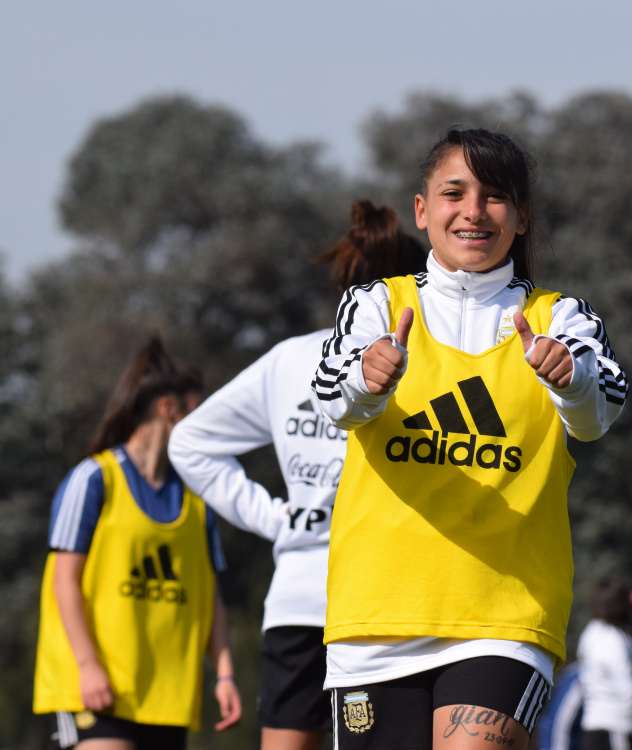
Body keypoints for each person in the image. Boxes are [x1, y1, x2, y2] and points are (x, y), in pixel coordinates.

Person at [310, 127, 629, 750]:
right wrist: (368, 379)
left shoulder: (562, 317)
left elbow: (596, 418)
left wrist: (570, 378)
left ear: (522, 216)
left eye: (495, 196)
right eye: (454, 193)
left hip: (506, 619)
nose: (474, 211)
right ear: (422, 209)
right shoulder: (375, 305)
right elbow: (333, 403)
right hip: (376, 617)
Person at [168, 200, 427, 750]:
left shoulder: (291, 359)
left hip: (302, 603)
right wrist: (274, 517)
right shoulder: (425, 366)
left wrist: (277, 520)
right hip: (386, 605)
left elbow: (190, 442)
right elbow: (190, 442)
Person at [33, 338, 242, 750]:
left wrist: (224, 674)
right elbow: (63, 581)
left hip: (166, 698)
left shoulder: (198, 497)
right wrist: (87, 665)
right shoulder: (94, 479)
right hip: (96, 688)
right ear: (168, 409)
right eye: (198, 413)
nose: (207, 426)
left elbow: (209, 594)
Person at [576, 578, 632, 750]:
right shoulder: (613, 641)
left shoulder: (592, 632)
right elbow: (630, 693)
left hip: (596, 728)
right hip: (614, 730)